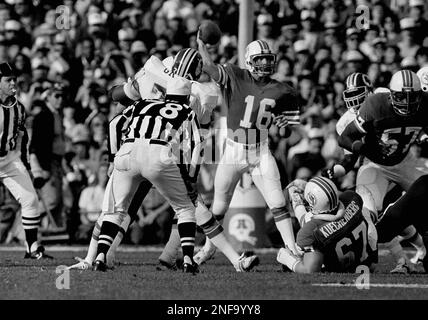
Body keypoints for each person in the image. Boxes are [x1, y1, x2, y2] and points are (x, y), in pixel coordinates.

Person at [194, 37, 300, 265]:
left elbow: (288, 133)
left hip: (260, 151)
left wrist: (283, 128)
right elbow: (210, 68)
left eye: (267, 58)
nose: (264, 62)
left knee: (277, 200)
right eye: (259, 58)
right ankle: (208, 248)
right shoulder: (235, 74)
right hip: (232, 151)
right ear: (249, 61)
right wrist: (202, 47)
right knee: (219, 206)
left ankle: (291, 248)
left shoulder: (284, 91)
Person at [338, 69, 428, 272]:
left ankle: (423, 251)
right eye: (400, 97)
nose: (406, 103)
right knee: (368, 212)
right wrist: (366, 149)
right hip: (375, 165)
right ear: (390, 94)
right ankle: (374, 260)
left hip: (406, 162)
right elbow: (345, 138)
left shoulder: (425, 105)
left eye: (411, 97)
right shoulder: (375, 104)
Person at [0, 62, 50, 258]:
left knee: (30, 199)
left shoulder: (18, 107)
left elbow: (23, 138)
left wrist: (26, 165)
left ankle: (32, 248)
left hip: (9, 159)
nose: (13, 83)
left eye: (14, 79)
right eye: (8, 80)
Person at [277, 177, 377, 273]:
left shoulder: (309, 230)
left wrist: (288, 260)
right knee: (363, 207)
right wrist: (308, 186)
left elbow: (310, 270)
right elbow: (333, 197)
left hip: (341, 267)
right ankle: (373, 217)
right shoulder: (352, 197)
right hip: (368, 263)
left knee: (298, 249)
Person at [29, 83, 66, 228]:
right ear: (48, 97)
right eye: (56, 96)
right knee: (51, 200)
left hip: (56, 162)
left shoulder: (56, 115)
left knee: (58, 203)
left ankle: (52, 232)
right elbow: (38, 145)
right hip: (47, 163)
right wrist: (43, 168)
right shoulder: (43, 116)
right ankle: (22, 225)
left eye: (62, 96)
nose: (60, 99)